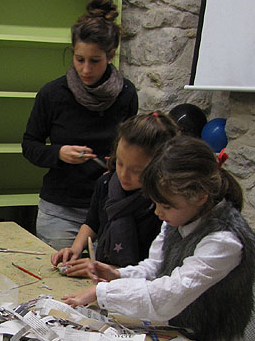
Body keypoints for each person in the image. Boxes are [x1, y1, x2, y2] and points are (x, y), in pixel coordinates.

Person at [63, 136, 255, 341]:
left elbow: (168, 296)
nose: (157, 212)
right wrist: (119, 274)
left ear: (200, 197)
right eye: (155, 203)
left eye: (165, 205)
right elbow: (155, 266)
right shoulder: (180, 215)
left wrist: (103, 292)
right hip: (174, 331)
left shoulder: (224, 241)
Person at [22, 0, 138, 250]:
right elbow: (29, 145)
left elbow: (131, 149)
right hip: (60, 210)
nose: (85, 69)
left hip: (109, 208)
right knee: (60, 272)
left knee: (106, 275)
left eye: (94, 61)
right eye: (79, 59)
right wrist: (59, 153)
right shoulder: (53, 94)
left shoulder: (126, 94)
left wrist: (117, 163)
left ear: (110, 55)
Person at [51, 112, 179, 276]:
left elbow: (156, 271)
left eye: (136, 171)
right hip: (104, 276)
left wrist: (109, 271)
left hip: (137, 282)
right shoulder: (106, 183)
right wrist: (75, 250)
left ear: (160, 166)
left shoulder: (162, 206)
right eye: (119, 162)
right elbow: (92, 223)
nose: (123, 175)